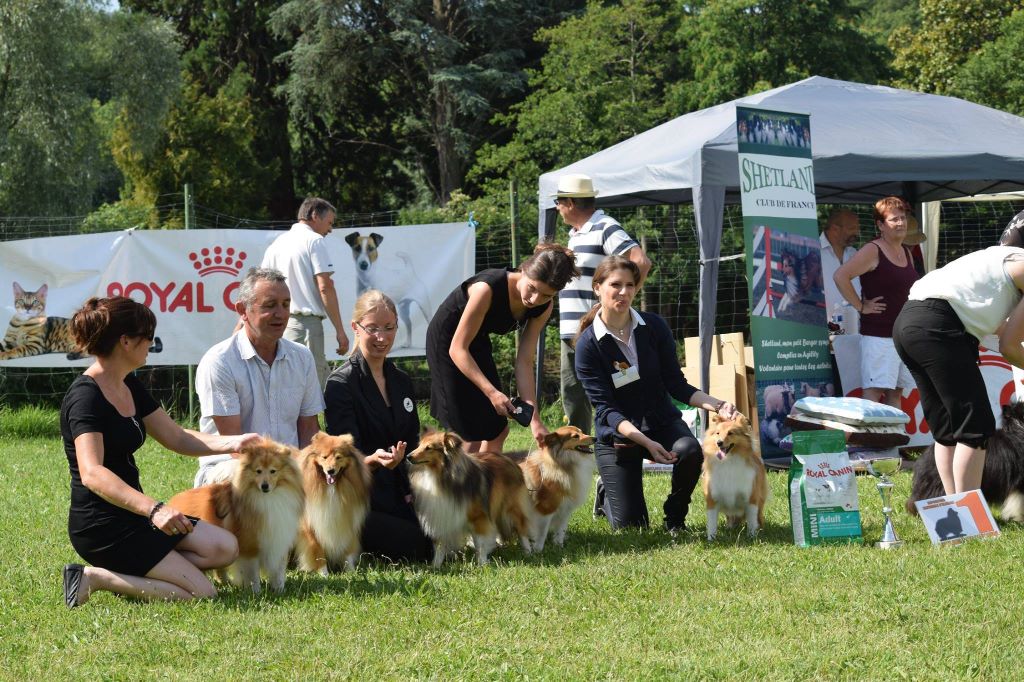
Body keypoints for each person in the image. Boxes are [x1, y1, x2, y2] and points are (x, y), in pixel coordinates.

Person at [60, 296, 260, 607]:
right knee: (202, 593)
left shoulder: (129, 385)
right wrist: (155, 509)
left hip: (136, 517)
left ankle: (146, 569)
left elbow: (176, 437)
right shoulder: (86, 398)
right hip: (102, 526)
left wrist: (233, 442)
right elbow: (92, 473)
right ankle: (96, 577)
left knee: (225, 547)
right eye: (148, 336)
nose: (152, 343)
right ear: (126, 341)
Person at [574, 256, 739, 532]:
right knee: (633, 529)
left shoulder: (654, 327)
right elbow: (606, 411)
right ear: (597, 288)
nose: (624, 292)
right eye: (616, 285)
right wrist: (647, 444)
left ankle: (675, 518)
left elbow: (676, 384)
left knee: (689, 450)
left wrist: (717, 404)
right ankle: (606, 493)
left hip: (661, 421)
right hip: (618, 436)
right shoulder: (588, 345)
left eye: (630, 285)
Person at [893, 213, 1024, 494]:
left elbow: (1000, 328)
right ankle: (970, 516)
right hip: (940, 329)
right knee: (975, 427)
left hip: (908, 322)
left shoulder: (991, 260)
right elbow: (1010, 347)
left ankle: (953, 512)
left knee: (948, 430)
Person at [426, 243, 580, 452]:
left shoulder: (544, 307)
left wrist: (535, 421)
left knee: (497, 431)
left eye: (546, 295)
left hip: (477, 340)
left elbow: (524, 361)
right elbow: (458, 349)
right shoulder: (486, 289)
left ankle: (485, 484)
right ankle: (460, 483)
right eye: (532, 288)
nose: (535, 300)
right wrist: (492, 392)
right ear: (523, 270)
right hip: (448, 342)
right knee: (466, 437)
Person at [324, 290, 432, 563]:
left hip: (403, 490)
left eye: (389, 328)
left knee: (439, 537)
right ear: (355, 328)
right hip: (362, 496)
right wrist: (372, 460)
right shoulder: (340, 384)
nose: (382, 338)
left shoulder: (401, 380)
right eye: (372, 329)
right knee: (419, 547)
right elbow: (343, 455)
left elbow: (413, 441)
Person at [193, 267, 324, 486]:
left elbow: (309, 430)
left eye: (285, 304)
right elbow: (236, 447)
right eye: (270, 305)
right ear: (242, 310)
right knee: (241, 472)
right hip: (231, 468)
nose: (281, 314)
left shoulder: (302, 357)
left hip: (289, 467)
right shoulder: (220, 360)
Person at [555, 174, 651, 434]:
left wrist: (615, 303)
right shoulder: (575, 234)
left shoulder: (604, 226)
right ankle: (579, 455)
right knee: (574, 394)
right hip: (572, 331)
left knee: (619, 389)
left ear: (571, 202)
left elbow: (640, 261)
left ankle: (627, 448)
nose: (557, 207)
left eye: (559, 201)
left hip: (600, 330)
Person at [834, 197, 919, 407]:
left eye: (902, 218)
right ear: (880, 225)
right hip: (879, 336)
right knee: (873, 393)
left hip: (903, 336)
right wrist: (861, 306)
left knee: (896, 394)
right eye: (893, 219)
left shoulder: (907, 252)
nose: (900, 223)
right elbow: (840, 276)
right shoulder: (873, 250)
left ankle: (895, 440)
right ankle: (871, 440)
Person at [260, 196, 349, 388]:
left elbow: (262, 288)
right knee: (312, 387)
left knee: (283, 383)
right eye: (329, 223)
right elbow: (325, 287)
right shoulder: (315, 241)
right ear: (315, 215)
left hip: (278, 325)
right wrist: (340, 331)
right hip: (307, 325)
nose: (330, 229)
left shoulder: (276, 244)